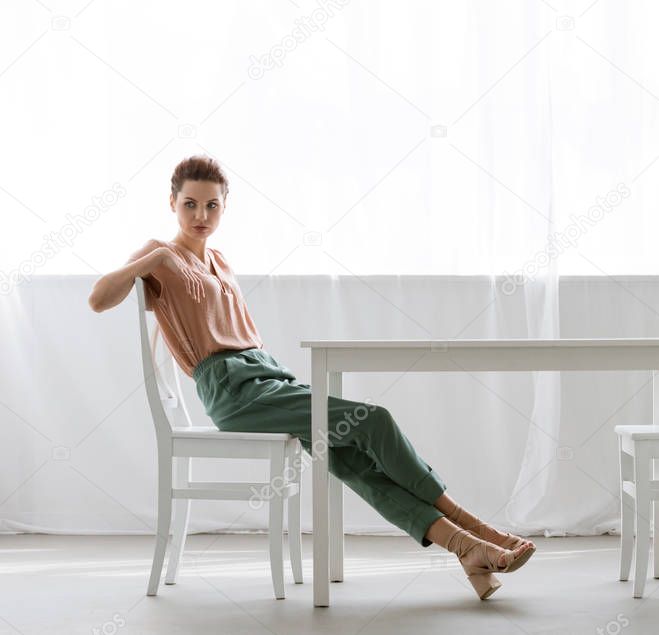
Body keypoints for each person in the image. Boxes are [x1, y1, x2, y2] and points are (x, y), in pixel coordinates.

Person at [88, 154, 535, 600]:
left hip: (266, 376)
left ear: (226, 207)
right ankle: (478, 527)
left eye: (212, 206)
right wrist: (156, 257)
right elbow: (99, 299)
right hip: (232, 392)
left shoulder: (220, 261)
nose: (200, 216)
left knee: (351, 458)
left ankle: (467, 550)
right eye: (189, 204)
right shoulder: (160, 255)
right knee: (372, 420)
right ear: (172, 203)